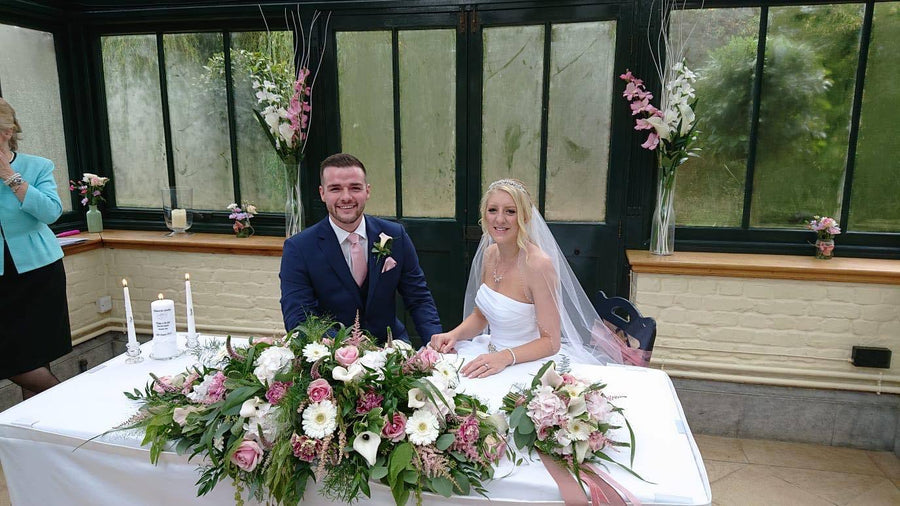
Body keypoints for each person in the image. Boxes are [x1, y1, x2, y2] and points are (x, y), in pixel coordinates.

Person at [429, 178, 625, 378]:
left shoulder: (538, 265)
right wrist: (453, 335)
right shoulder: (490, 254)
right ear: (484, 214)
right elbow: (481, 316)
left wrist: (505, 357)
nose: (499, 220)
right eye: (493, 210)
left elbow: (550, 342)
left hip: (527, 365)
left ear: (525, 216)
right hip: (489, 354)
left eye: (510, 211)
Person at [280, 153, 442, 345]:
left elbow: (419, 298)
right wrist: (342, 347)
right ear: (322, 193)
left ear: (367, 191)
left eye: (355, 188)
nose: (346, 197)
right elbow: (298, 315)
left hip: (391, 347)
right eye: (335, 189)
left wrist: (434, 341)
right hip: (330, 356)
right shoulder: (298, 248)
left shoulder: (395, 235)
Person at [0, 98, 71, 398]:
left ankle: (42, 433)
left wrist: (9, 176)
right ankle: (70, 406)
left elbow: (51, 212)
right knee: (13, 359)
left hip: (39, 272)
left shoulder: (38, 166)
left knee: (36, 357)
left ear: (7, 130)